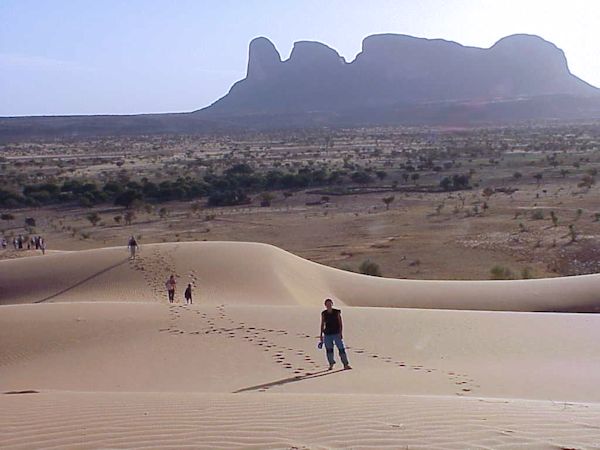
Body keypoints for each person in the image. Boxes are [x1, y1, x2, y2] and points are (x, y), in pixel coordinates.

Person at [320, 298, 351, 370]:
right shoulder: (324, 313)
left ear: (332, 304)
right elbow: (322, 324)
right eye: (327, 304)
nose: (328, 305)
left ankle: (345, 364)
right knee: (329, 350)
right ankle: (331, 364)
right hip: (327, 334)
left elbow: (340, 323)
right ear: (325, 305)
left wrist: (341, 332)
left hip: (336, 333)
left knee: (341, 349)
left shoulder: (337, 312)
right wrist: (321, 335)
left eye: (330, 304)